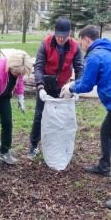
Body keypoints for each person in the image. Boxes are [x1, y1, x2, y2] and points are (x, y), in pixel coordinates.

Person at [60, 25, 111, 211]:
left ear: (86, 39)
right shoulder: (107, 51)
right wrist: (73, 83)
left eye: (80, 41)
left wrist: (71, 88)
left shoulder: (95, 55)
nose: (80, 45)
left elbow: (88, 85)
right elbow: (91, 80)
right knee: (106, 131)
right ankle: (104, 166)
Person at [27, 18, 84, 158]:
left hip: (64, 86)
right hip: (46, 83)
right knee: (39, 115)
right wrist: (40, 87)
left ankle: (57, 144)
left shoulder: (75, 46)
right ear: (54, 31)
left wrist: (77, 86)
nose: (60, 39)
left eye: (64, 36)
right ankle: (34, 144)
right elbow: (39, 66)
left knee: (62, 116)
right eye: (58, 35)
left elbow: (79, 68)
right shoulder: (45, 44)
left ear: (70, 33)